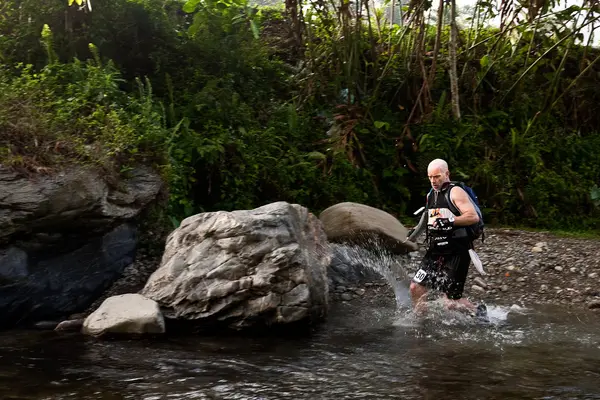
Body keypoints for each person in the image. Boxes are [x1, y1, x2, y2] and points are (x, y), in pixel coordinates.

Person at [407, 158, 486, 318]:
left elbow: (472, 217)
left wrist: (450, 221)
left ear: (447, 174)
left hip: (457, 251)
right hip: (435, 251)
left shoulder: (455, 191)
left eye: (437, 176)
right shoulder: (431, 194)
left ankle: (478, 311)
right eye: (430, 177)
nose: (433, 181)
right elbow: (427, 217)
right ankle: (420, 323)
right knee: (416, 288)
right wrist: (413, 235)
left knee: (450, 302)